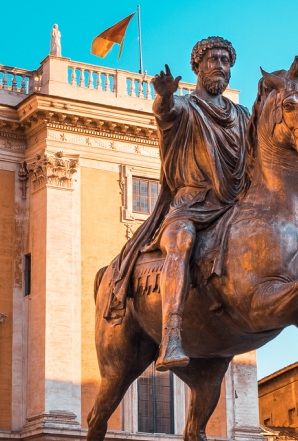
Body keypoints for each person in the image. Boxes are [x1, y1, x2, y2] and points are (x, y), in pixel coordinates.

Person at [106, 36, 249, 370]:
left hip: (231, 205)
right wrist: (164, 96)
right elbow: (165, 113)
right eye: (213, 59)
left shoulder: (242, 115)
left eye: (225, 61)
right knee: (181, 242)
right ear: (197, 67)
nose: (220, 66)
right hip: (189, 204)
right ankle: (171, 334)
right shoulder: (186, 106)